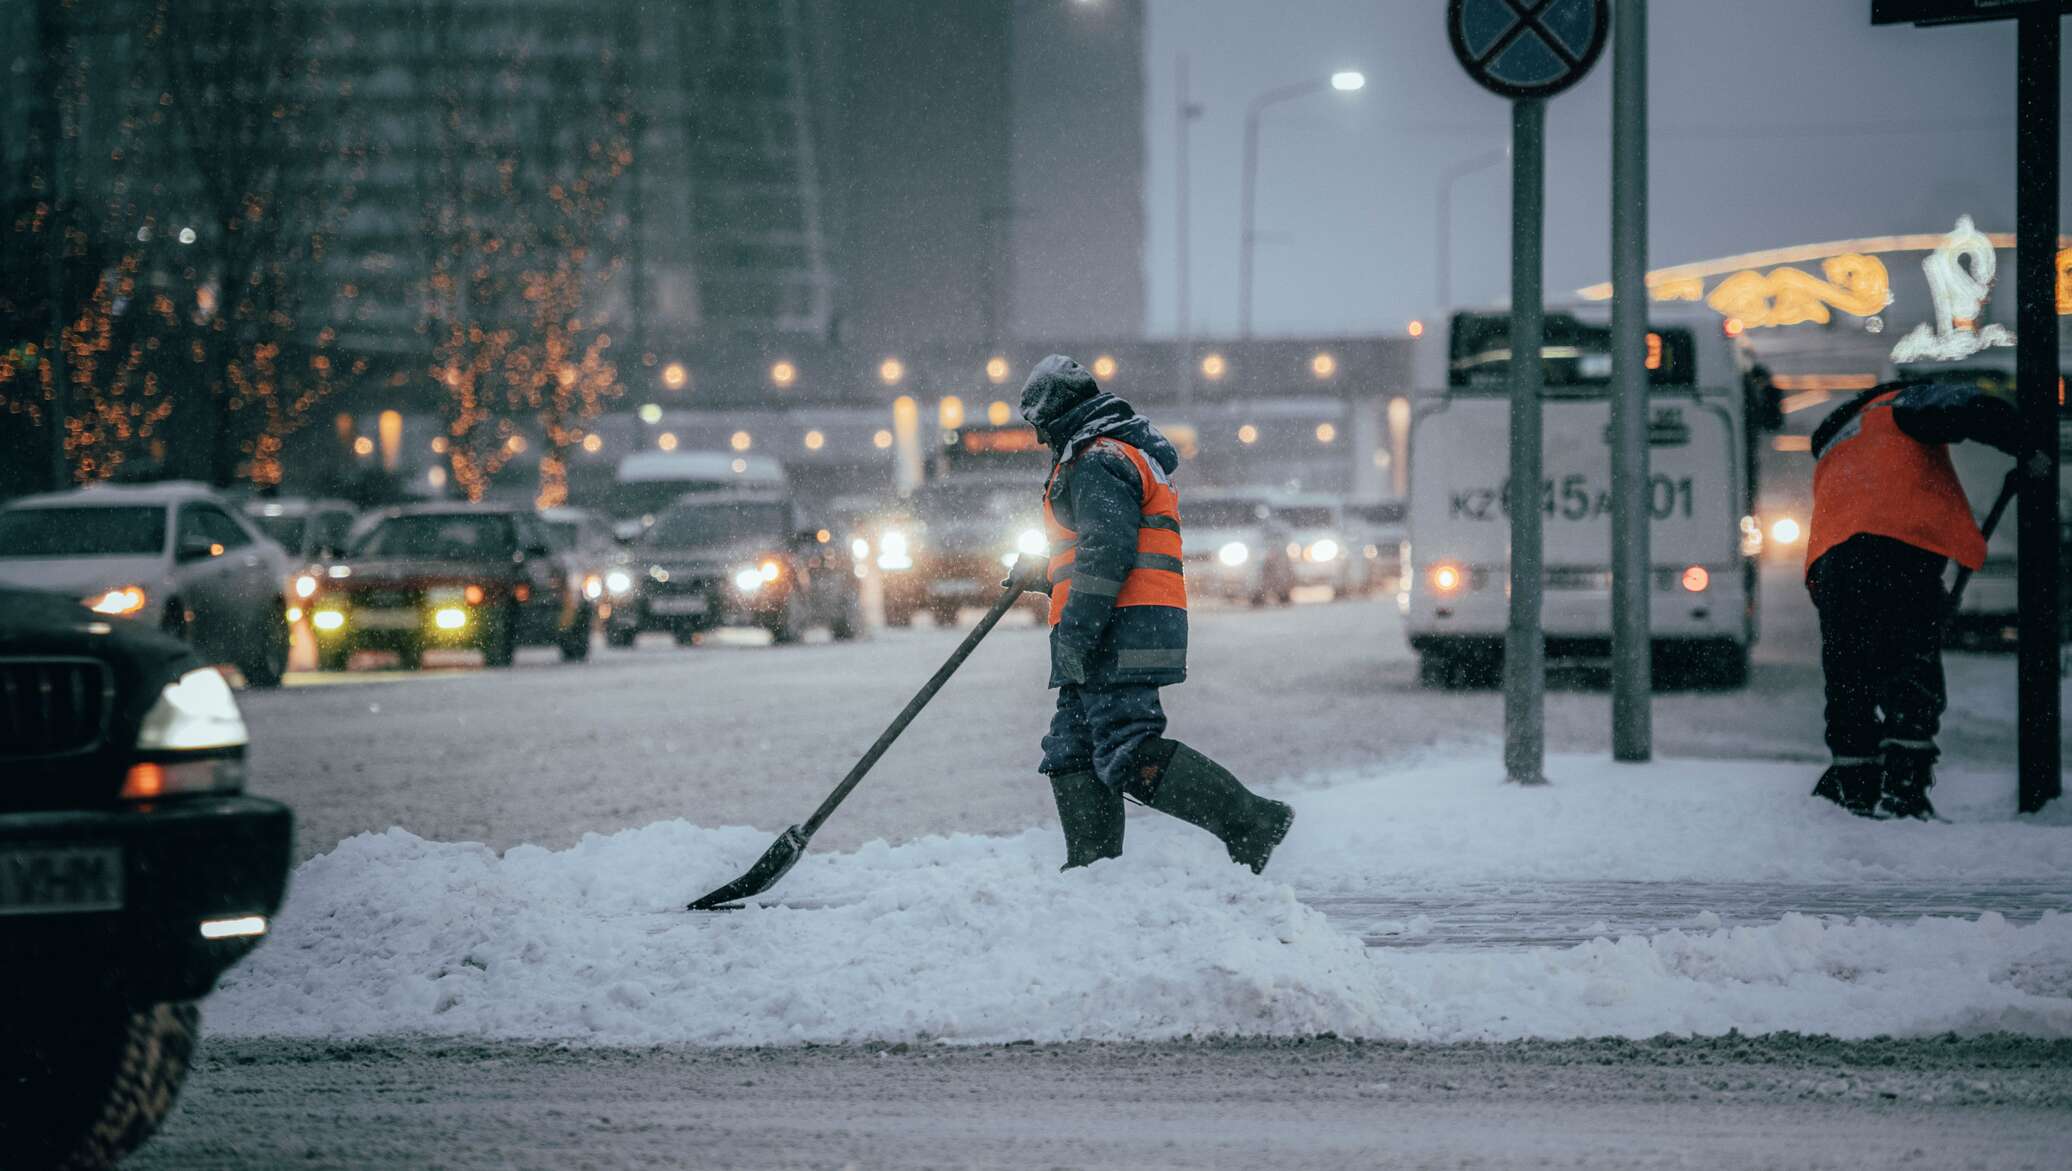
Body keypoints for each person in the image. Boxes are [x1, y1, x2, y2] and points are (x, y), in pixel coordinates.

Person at [1011, 354, 1294, 871]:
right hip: (1113, 624)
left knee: (1127, 749)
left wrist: (1077, 632)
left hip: (1116, 629)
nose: (1037, 439)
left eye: (1039, 425)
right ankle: (1092, 872)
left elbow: (1107, 552)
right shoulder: (1104, 453)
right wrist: (1048, 571)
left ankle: (1250, 820)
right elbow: (1094, 548)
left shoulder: (1098, 459)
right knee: (1071, 749)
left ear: (1059, 414)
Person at [1803, 379, 2018, 820]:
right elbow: (1966, 407)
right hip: (1895, 548)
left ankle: (1855, 786)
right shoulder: (1899, 403)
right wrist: (2028, 438)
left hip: (1831, 561)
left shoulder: (1841, 433)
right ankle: (1903, 788)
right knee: (1908, 668)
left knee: (1851, 678)